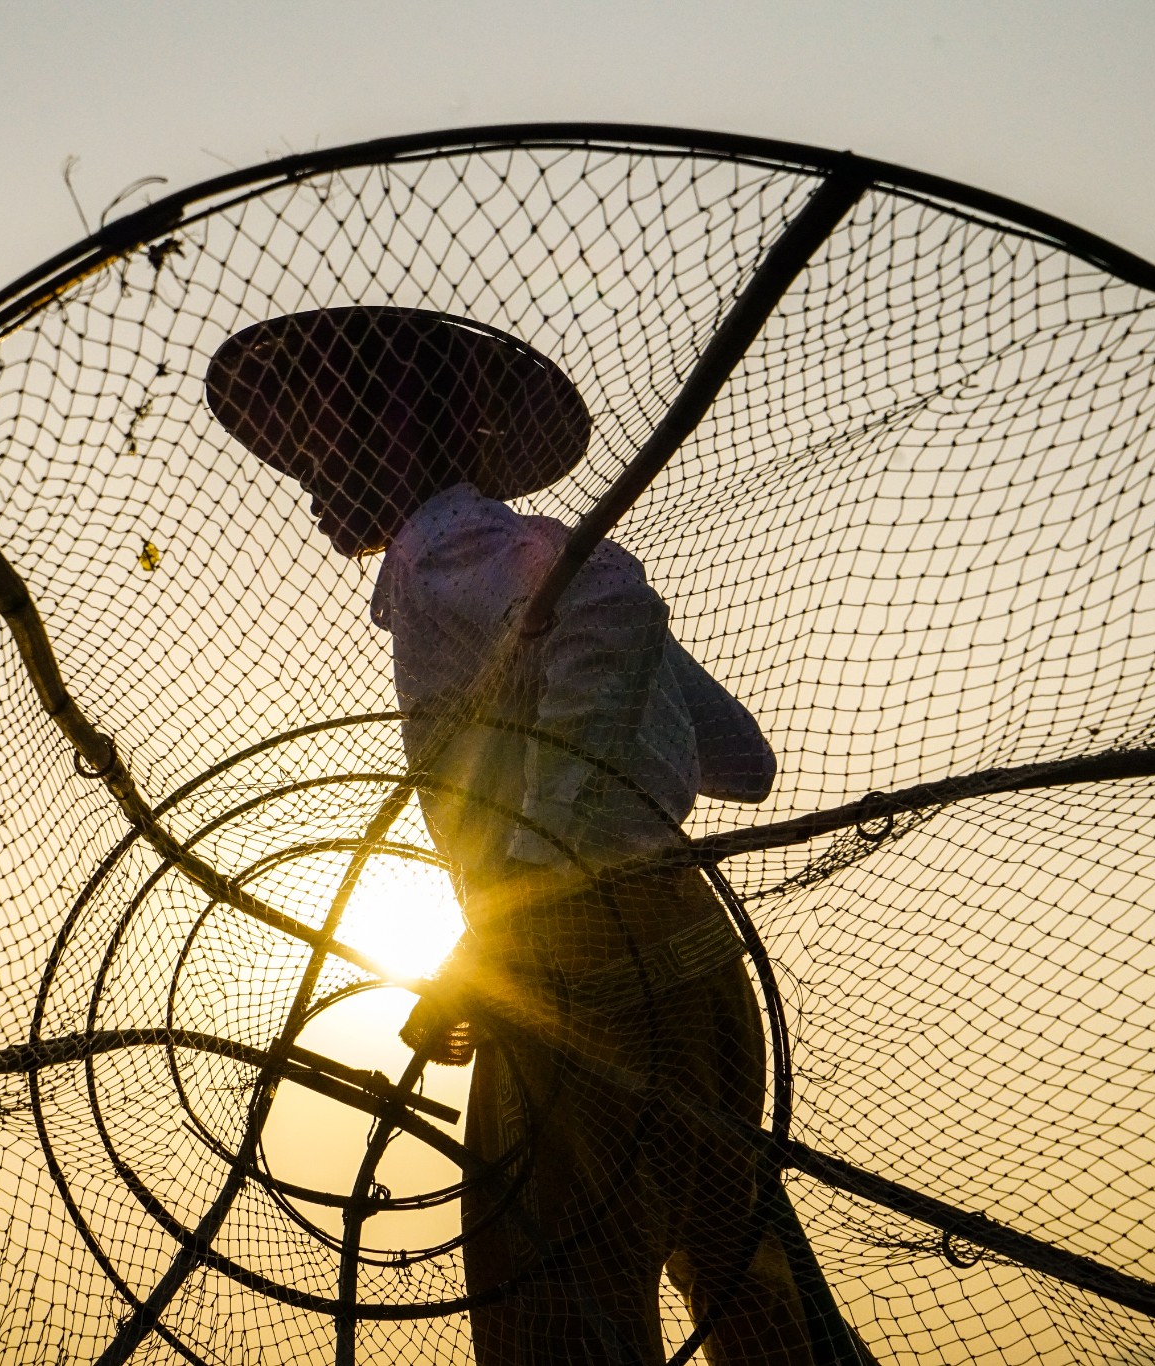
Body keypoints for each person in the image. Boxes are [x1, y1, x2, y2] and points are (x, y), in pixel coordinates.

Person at [207, 307, 814, 1366]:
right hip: (692, 959)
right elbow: (741, 760)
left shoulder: (444, 545)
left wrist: (514, 911)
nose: (308, 480)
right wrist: (595, 728)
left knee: (554, 1310)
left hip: (576, 965)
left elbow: (602, 596)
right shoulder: (494, 565)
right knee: (743, 1277)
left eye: (324, 446)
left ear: (392, 436)